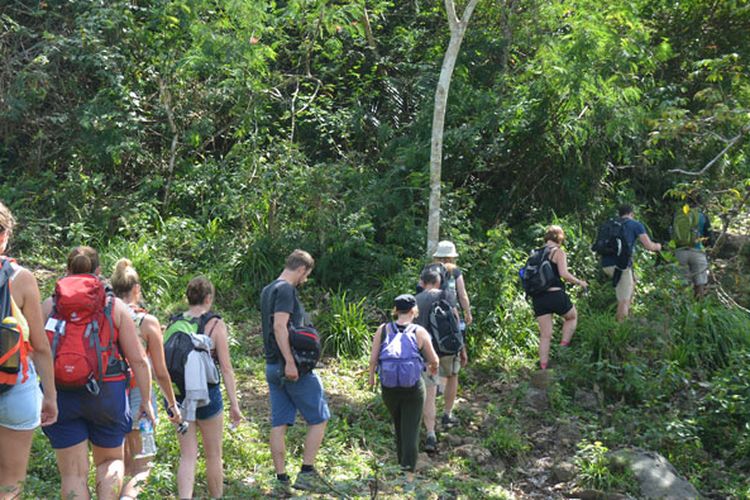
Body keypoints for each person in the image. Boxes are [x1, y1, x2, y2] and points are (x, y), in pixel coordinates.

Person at [41, 246, 154, 500]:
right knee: (111, 461)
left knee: (72, 475)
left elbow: (37, 351)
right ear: (99, 272)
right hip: (107, 392)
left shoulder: (50, 305)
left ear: (67, 270)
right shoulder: (114, 306)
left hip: (61, 394)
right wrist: (145, 400)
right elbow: (138, 359)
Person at [110, 259, 182, 499]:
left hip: (108, 394)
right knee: (142, 468)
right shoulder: (146, 322)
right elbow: (160, 371)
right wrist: (172, 404)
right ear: (136, 289)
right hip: (139, 397)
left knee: (118, 466)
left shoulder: (105, 314)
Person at [0, 201, 58, 499]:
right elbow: (40, 346)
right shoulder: (20, 278)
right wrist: (50, 395)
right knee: (10, 483)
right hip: (13, 387)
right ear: (5, 235)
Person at [261, 250, 330, 494]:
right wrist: (290, 362)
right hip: (289, 367)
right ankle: (307, 473)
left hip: (271, 366)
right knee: (320, 417)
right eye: (306, 275)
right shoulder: (286, 290)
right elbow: (279, 326)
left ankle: (281, 481)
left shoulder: (267, 289)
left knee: (280, 423)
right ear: (301, 269)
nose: (305, 280)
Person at [171, 277, 242, 499]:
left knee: (187, 456)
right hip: (208, 395)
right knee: (213, 454)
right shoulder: (216, 324)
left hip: (180, 396)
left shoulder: (174, 323)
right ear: (208, 298)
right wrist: (235, 405)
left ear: (188, 298)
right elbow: (227, 369)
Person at [368, 294, 438, 484]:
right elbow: (434, 360)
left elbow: (373, 359)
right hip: (413, 387)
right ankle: (408, 474)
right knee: (411, 429)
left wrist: (371, 379)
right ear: (414, 310)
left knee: (399, 425)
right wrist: (432, 371)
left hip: (389, 387)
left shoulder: (383, 330)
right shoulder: (419, 331)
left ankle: (401, 465)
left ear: (396, 310)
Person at [419, 240, 472, 427]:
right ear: (452, 256)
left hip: (425, 327)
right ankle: (447, 414)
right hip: (449, 324)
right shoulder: (454, 271)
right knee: (453, 373)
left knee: (429, 372)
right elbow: (462, 294)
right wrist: (467, 312)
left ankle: (426, 417)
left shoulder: (427, 271)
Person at [414, 268, 459, 452]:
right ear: (439, 282)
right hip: (446, 350)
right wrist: (461, 348)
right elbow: (455, 321)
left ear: (422, 283)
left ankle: (431, 433)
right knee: (452, 377)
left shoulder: (415, 300)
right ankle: (448, 414)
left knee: (429, 393)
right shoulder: (446, 295)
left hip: (426, 354)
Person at [532, 225, 588, 370]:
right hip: (555, 294)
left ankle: (543, 367)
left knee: (545, 335)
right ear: (560, 238)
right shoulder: (558, 252)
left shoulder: (535, 253)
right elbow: (564, 274)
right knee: (572, 317)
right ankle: (563, 348)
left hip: (538, 297)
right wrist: (579, 282)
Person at [601, 205, 662, 322]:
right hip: (621, 266)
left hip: (606, 264)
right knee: (624, 299)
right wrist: (658, 246)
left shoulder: (611, 223)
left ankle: (627, 316)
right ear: (632, 214)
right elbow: (649, 246)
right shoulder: (635, 224)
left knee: (633, 280)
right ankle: (621, 329)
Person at [673, 194, 711, 298]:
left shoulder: (678, 214)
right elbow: (709, 237)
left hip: (680, 252)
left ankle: (682, 308)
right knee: (700, 283)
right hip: (697, 252)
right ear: (699, 203)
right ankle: (699, 309)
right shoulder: (702, 216)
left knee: (682, 284)